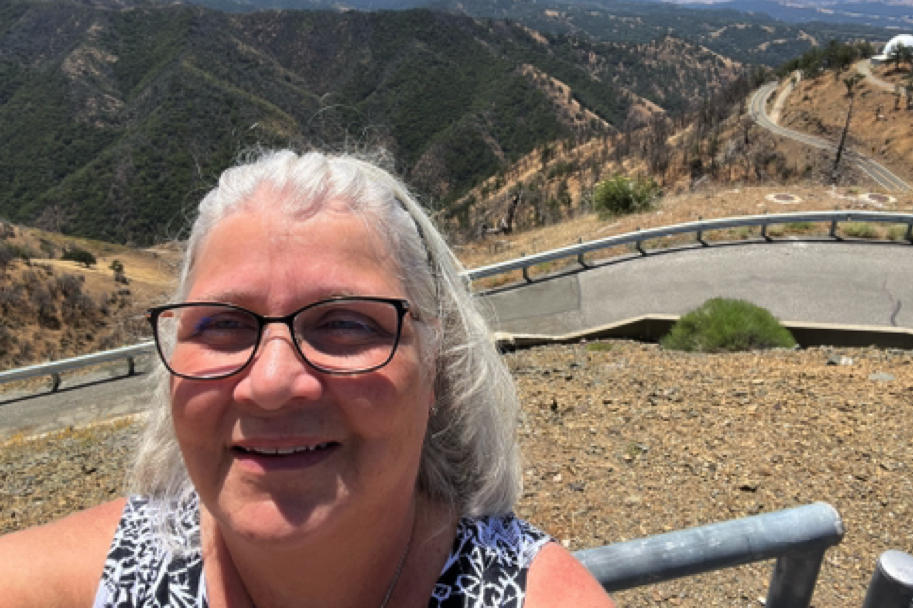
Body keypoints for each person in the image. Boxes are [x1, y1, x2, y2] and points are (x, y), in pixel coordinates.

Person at [0, 149, 613, 607]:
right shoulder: (77, 585)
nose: (270, 382)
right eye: (222, 325)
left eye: (345, 324)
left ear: (438, 369)